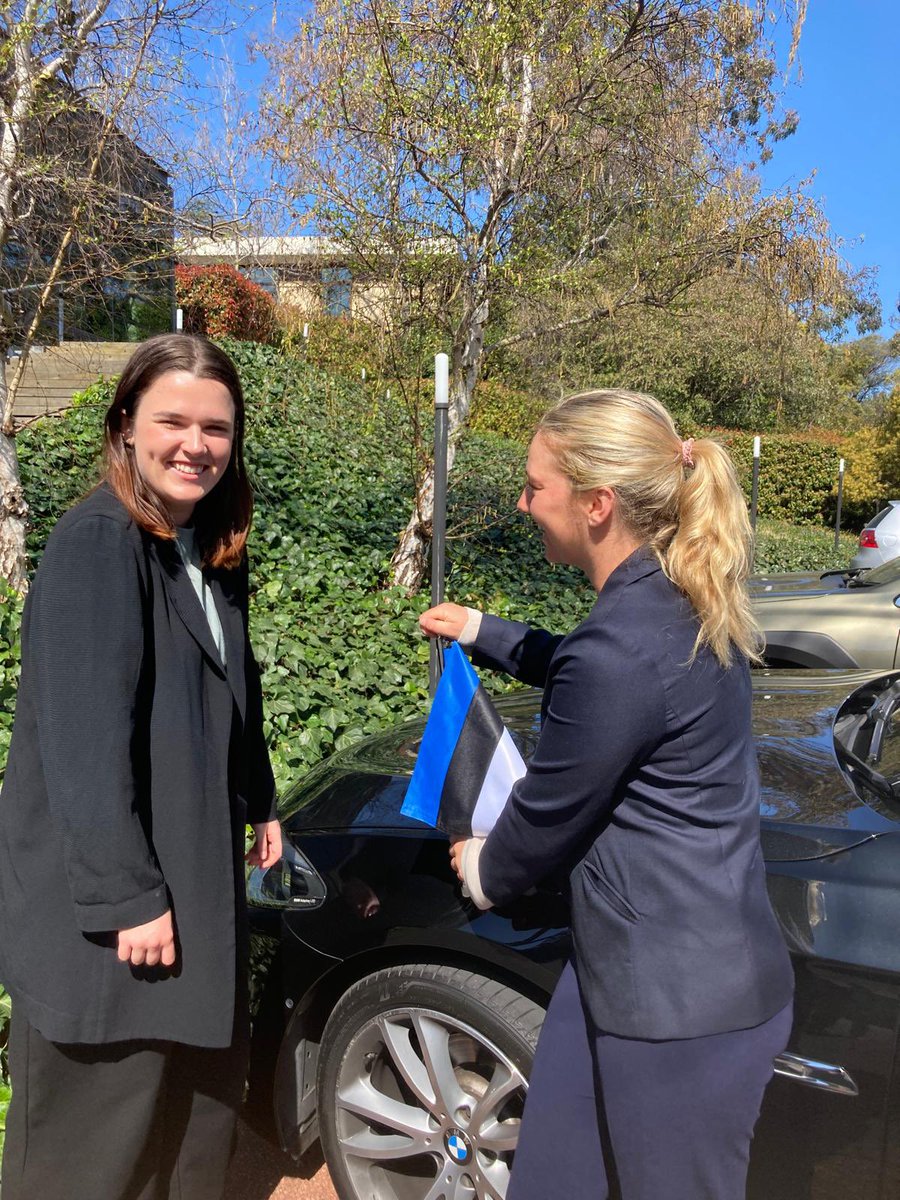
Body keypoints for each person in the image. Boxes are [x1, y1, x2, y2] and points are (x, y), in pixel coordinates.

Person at [420, 389, 794, 1200]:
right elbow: (599, 681)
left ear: (596, 505)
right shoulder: (672, 602)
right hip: (638, 976)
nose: (524, 504)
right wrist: (487, 630)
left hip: (679, 1012)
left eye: (534, 487)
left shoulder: (625, 643)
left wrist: (484, 866)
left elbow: (549, 814)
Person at [0, 334, 282, 1200]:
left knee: (181, 1130)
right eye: (173, 421)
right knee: (94, 1151)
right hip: (115, 916)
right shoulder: (99, 544)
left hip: (184, 884)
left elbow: (235, 690)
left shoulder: (203, 545)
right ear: (125, 425)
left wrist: (262, 800)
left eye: (217, 427)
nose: (195, 444)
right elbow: (82, 746)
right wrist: (129, 897)